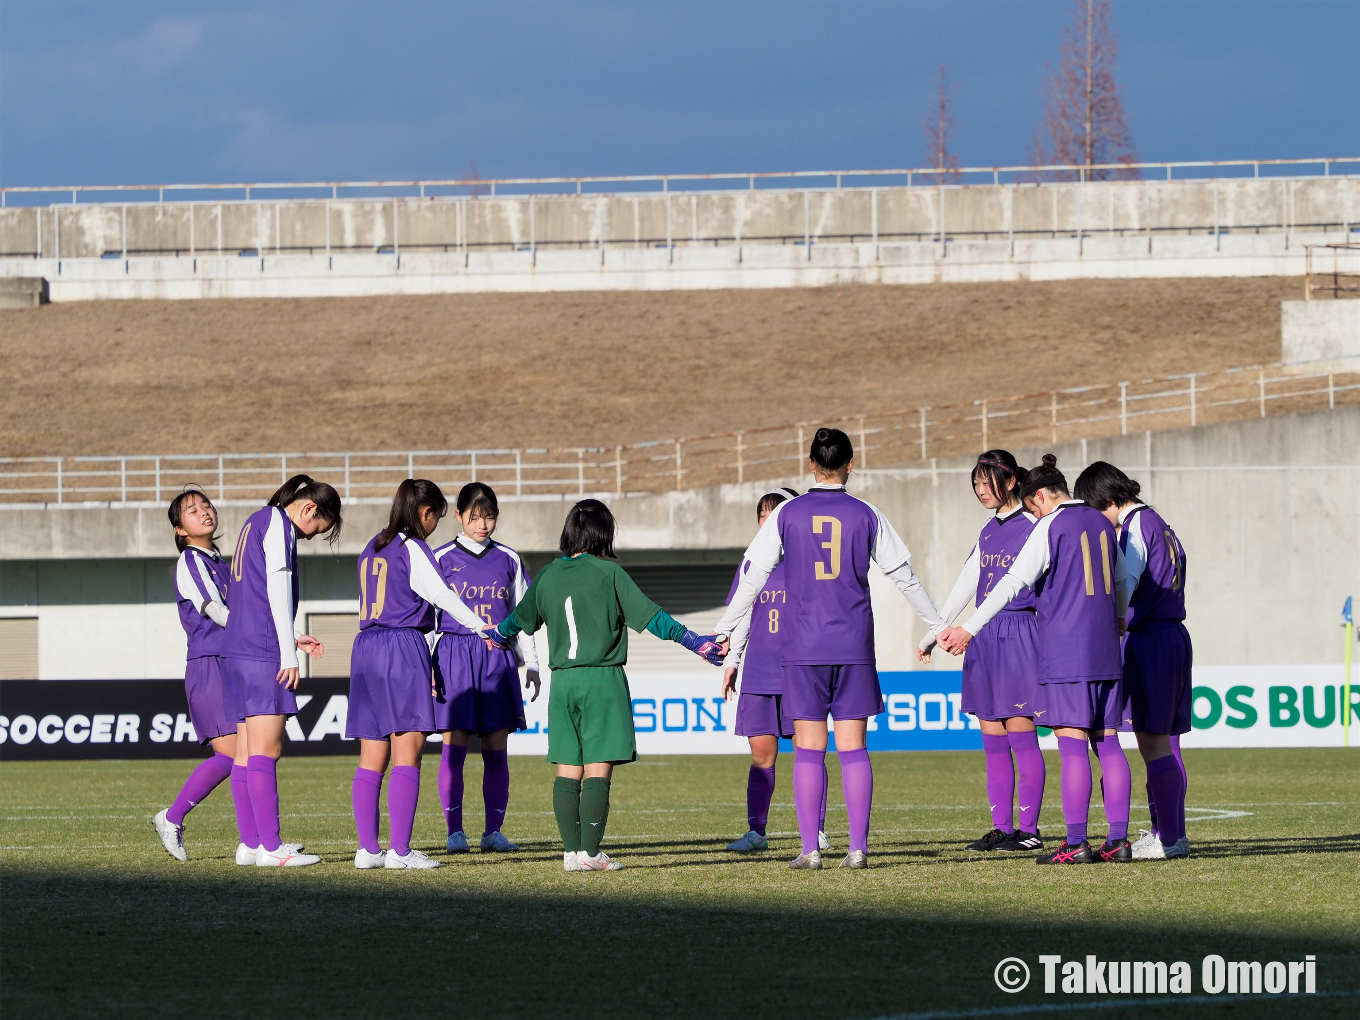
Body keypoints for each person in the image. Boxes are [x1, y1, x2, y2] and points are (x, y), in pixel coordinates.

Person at [715, 428, 944, 871]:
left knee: (809, 748)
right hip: (854, 644)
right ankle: (857, 849)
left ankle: (810, 850)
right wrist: (936, 624)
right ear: (850, 465)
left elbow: (754, 576)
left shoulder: (787, 514)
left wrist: (725, 630)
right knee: (854, 748)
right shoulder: (867, 513)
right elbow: (904, 577)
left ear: (811, 465)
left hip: (802, 647)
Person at [493, 499, 725, 872]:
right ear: (604, 533)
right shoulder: (608, 573)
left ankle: (571, 854)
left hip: (563, 681)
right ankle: (589, 853)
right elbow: (653, 617)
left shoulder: (549, 575)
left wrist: (494, 635)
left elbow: (515, 623)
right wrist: (694, 641)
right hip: (601, 679)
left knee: (567, 767)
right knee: (597, 767)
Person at [937, 454, 1133, 865]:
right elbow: (1120, 580)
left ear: (1040, 496)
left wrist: (969, 628)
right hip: (1106, 649)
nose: (1032, 512)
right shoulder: (1102, 522)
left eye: (1033, 505)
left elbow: (1013, 582)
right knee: (1109, 742)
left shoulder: (1048, 525)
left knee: (1072, 745)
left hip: (1067, 648)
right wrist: (1117, 619)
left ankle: (1076, 843)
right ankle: (1117, 841)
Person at [349, 479, 499, 870]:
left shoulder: (372, 545)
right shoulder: (412, 546)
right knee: (408, 750)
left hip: (365, 646)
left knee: (371, 755)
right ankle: (400, 851)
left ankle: (368, 850)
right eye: (436, 518)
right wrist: (481, 627)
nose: (434, 527)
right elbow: (444, 596)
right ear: (424, 512)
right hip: (401, 645)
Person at [918, 451, 1046, 854]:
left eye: (986, 482)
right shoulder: (988, 530)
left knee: (1021, 735)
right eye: (975, 484)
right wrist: (933, 632)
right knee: (992, 738)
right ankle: (1001, 828)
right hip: (983, 638)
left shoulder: (1035, 525)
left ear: (1009, 481)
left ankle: (1029, 830)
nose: (980, 490)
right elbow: (966, 583)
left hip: (1020, 633)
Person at [1074, 461, 1192, 861]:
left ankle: (1169, 838)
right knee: (1164, 742)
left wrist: (1117, 616)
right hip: (1173, 633)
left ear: (1108, 500)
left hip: (1151, 638)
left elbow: (1125, 577)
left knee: (1153, 742)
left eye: (1096, 510)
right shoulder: (1163, 524)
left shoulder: (1137, 525)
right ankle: (1169, 833)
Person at [224, 474, 342, 868]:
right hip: (262, 652)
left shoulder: (255, 520)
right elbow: (276, 586)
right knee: (267, 750)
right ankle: (272, 848)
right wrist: (287, 652)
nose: (310, 536)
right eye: (316, 528)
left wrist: (292, 634)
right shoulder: (279, 524)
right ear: (309, 508)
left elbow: (252, 593)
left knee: (244, 752)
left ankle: (251, 843)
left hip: (238, 649)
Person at [431, 482, 541, 855]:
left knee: (497, 750)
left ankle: (493, 831)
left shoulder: (509, 559)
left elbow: (524, 616)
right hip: (454, 656)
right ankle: (454, 832)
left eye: (489, 516)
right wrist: (428, 664)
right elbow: (428, 618)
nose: (482, 524)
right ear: (459, 515)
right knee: (454, 749)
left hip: (497, 659)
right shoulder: (440, 557)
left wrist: (533, 665)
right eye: (475, 517)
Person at [721, 487, 830, 856]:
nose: (767, 522)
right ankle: (757, 832)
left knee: (809, 752)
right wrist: (732, 662)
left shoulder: (811, 560)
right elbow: (741, 619)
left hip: (801, 672)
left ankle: (816, 831)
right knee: (761, 756)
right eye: (762, 516)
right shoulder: (751, 563)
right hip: (759, 673)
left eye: (775, 514)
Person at [153, 489, 239, 861]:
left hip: (235, 661)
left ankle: (259, 842)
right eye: (192, 510)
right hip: (210, 663)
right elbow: (216, 611)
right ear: (180, 530)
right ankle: (171, 818)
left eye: (206, 505)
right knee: (233, 755)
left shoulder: (221, 561)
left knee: (253, 754)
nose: (204, 511)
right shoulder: (191, 560)